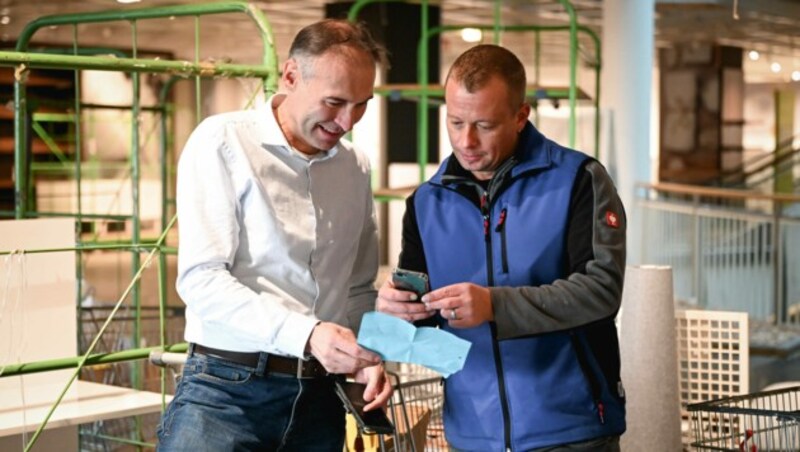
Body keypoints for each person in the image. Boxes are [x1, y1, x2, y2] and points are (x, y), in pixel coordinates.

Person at [377, 44, 627, 451]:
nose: (466, 140)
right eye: (455, 122)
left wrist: (496, 305)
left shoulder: (579, 180)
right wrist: (393, 319)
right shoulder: (425, 203)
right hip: (471, 436)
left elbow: (602, 290)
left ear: (520, 116)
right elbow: (428, 337)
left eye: (485, 125)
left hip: (572, 432)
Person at [157, 19, 392, 451]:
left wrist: (367, 358)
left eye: (361, 105)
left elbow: (358, 288)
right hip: (226, 395)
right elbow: (202, 279)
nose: (347, 121)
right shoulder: (221, 143)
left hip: (320, 401)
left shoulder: (354, 166)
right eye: (335, 102)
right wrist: (308, 334)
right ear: (289, 76)